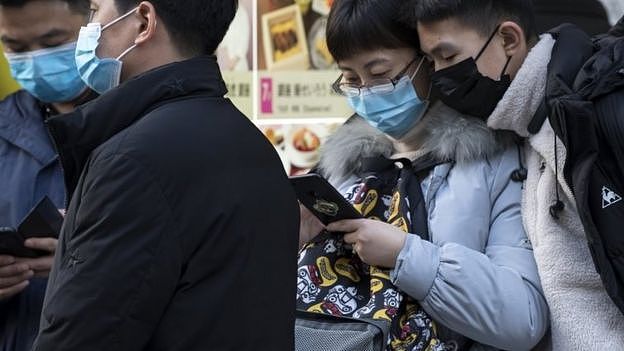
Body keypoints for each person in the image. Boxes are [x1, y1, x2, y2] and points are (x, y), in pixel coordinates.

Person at [32, 0, 299, 350]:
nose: (88, 29)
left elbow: (84, 334)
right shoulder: (253, 144)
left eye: (96, 11)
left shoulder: (133, 161)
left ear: (143, 21)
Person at [298, 0, 549, 349]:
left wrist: (406, 255)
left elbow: (525, 319)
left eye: (381, 74)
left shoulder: (496, 159)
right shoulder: (344, 167)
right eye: (351, 79)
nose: (366, 93)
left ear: (427, 63)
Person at [408, 0, 624, 348]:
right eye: (430, 62)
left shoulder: (588, 113)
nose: (438, 75)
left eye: (447, 57)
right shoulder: (523, 124)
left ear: (509, 39)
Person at [0, 0, 92, 350]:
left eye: (53, 43)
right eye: (16, 48)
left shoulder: (144, 131)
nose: (36, 61)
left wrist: (91, 264)